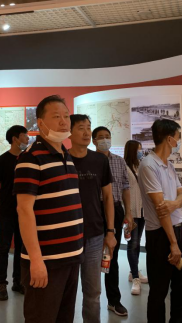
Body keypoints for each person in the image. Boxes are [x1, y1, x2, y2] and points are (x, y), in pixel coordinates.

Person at [14, 95, 84, 323]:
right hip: (46, 260)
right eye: (56, 117)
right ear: (40, 123)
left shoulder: (66, 155)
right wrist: (36, 260)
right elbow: (24, 210)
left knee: (64, 318)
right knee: (41, 317)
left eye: (66, 116)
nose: (64, 122)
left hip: (71, 256)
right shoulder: (30, 158)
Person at [138, 119, 182, 323]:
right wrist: (173, 244)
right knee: (159, 290)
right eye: (178, 137)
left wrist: (174, 204)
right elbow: (161, 210)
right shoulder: (148, 165)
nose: (179, 142)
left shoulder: (169, 165)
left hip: (177, 229)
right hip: (161, 235)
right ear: (169, 139)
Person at [69, 114, 117, 323]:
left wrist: (110, 231)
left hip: (95, 234)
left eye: (88, 128)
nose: (87, 132)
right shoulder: (61, 159)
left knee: (93, 291)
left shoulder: (100, 160)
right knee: (66, 291)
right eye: (81, 128)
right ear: (69, 132)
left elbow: (108, 197)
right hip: (68, 235)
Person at [92, 126, 133, 316]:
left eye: (107, 136)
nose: (104, 140)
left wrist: (128, 212)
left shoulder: (118, 160)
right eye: (100, 137)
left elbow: (125, 187)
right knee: (91, 256)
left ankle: (114, 300)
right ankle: (91, 301)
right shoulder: (90, 160)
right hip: (94, 210)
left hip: (115, 209)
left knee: (111, 255)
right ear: (94, 141)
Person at [0, 125, 29, 301]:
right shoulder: (2, 160)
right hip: (6, 211)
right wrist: (5, 200)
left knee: (21, 247)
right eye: (24, 136)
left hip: (25, 211)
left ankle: (18, 281)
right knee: (4, 247)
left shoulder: (28, 159)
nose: (27, 139)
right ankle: (1, 284)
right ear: (15, 139)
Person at [123, 140, 148, 296]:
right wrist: (126, 213)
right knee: (132, 243)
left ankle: (134, 272)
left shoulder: (140, 166)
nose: (141, 151)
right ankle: (135, 278)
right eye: (138, 149)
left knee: (137, 243)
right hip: (131, 212)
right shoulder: (124, 167)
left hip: (142, 211)